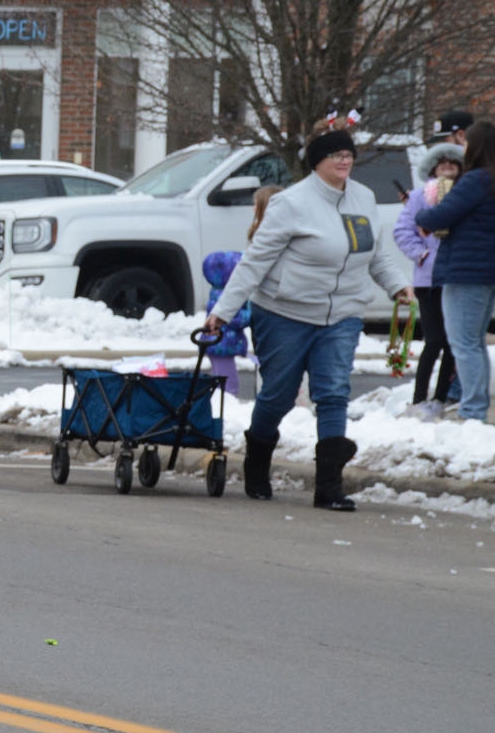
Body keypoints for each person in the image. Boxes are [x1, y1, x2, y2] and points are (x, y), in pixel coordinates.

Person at [205, 118, 413, 509]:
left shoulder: (363, 198)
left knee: (333, 393)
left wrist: (397, 285)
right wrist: (223, 312)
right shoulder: (291, 203)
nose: (344, 161)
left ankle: (329, 487)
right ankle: (257, 460)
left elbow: (375, 254)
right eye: (335, 155)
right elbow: (255, 261)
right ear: (317, 161)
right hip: (284, 312)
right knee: (278, 396)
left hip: (342, 314)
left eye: (348, 154)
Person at [415, 121, 495, 424]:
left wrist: (422, 213)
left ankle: (472, 409)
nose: (462, 148)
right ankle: (475, 405)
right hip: (485, 271)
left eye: (466, 143)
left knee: (464, 343)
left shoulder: (476, 180)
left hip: (466, 271)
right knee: (474, 342)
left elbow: (441, 216)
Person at [393, 142, 464, 418]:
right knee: (433, 340)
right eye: (441, 163)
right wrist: (421, 254)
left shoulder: (467, 194)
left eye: (452, 163)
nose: (447, 168)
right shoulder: (419, 196)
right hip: (428, 278)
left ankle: (440, 398)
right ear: (433, 168)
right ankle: (418, 398)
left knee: (452, 343)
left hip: (457, 276)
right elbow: (403, 231)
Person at [200, 252, 250, 396]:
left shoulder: (218, 292)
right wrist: (251, 314)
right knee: (228, 385)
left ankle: (218, 401)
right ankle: (226, 404)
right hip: (221, 344)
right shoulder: (225, 296)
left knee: (220, 380)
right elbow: (234, 318)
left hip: (217, 344)